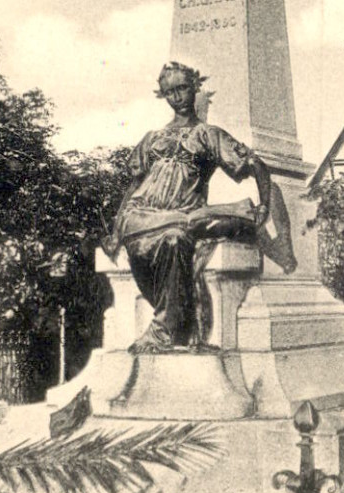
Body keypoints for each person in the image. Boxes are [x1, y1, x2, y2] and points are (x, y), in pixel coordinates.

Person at [103, 62, 272, 354]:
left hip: (182, 213)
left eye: (182, 88)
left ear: (195, 88)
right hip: (142, 213)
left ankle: (164, 330)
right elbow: (133, 186)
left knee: (177, 236)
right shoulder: (152, 138)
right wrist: (117, 231)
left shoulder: (207, 134)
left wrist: (265, 204)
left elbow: (256, 165)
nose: (177, 97)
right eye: (169, 92)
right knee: (176, 227)